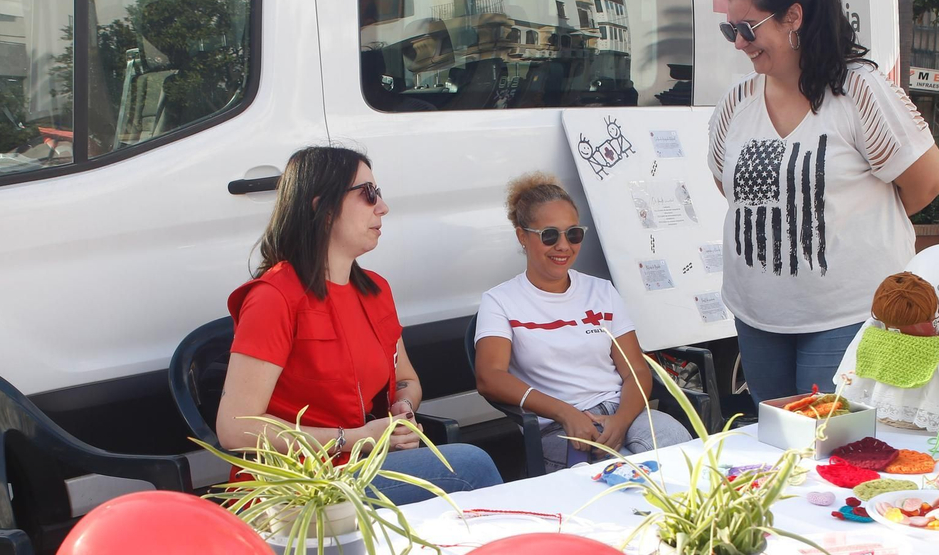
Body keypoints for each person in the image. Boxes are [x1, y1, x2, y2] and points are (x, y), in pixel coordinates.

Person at [708, 0, 939, 404]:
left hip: (845, 313)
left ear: (792, 17)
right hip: (756, 315)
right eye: (730, 30)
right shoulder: (737, 102)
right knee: (778, 445)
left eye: (747, 28)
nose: (738, 42)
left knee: (830, 445)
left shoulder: (858, 92)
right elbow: (730, 188)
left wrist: (846, 222)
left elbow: (927, 183)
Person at [217, 145, 502, 504]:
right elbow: (234, 428)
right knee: (472, 467)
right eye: (368, 194)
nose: (382, 206)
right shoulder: (274, 297)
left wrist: (402, 410)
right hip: (300, 484)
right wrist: (354, 437)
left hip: (364, 465)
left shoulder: (375, 289)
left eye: (378, 193)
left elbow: (406, 380)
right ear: (322, 208)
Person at [474, 172, 692, 472]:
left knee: (677, 446)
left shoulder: (601, 290)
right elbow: (490, 378)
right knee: (615, 477)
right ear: (522, 236)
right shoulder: (500, 300)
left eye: (573, 234)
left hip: (621, 411)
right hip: (556, 425)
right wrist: (565, 412)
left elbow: (637, 370)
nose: (564, 245)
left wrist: (621, 420)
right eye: (550, 235)